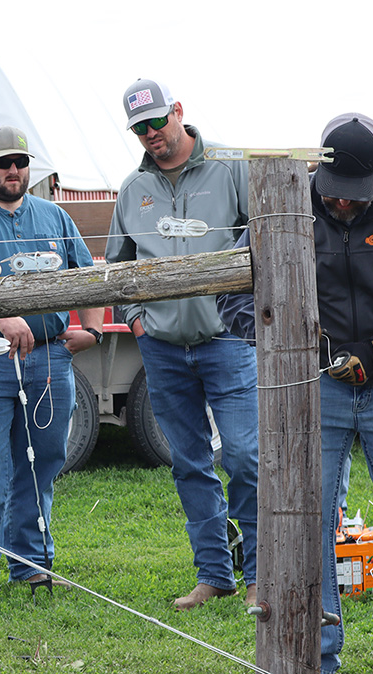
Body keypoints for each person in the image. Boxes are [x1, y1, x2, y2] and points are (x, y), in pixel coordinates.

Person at [219, 113, 373, 674]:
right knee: (306, 522)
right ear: (316, 168)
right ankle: (315, 655)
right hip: (313, 389)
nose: (342, 205)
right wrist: (290, 342)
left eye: (355, 196)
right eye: (333, 195)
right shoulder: (281, 204)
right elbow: (235, 296)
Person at [104, 79, 260, 609]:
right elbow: (117, 267)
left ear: (177, 111)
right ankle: (215, 574)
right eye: (138, 129)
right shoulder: (131, 190)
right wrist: (138, 322)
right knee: (188, 461)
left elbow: (264, 240)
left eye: (155, 122)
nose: (150, 135)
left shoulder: (231, 166)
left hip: (228, 342)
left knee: (245, 455)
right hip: (163, 349)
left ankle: (261, 573)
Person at [0, 126, 101, 591]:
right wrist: (0, 315)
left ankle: (33, 565)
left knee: (44, 462)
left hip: (51, 360)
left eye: (21, 162)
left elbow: (87, 275)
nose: (13, 170)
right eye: (2, 162)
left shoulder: (54, 216)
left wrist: (92, 329)